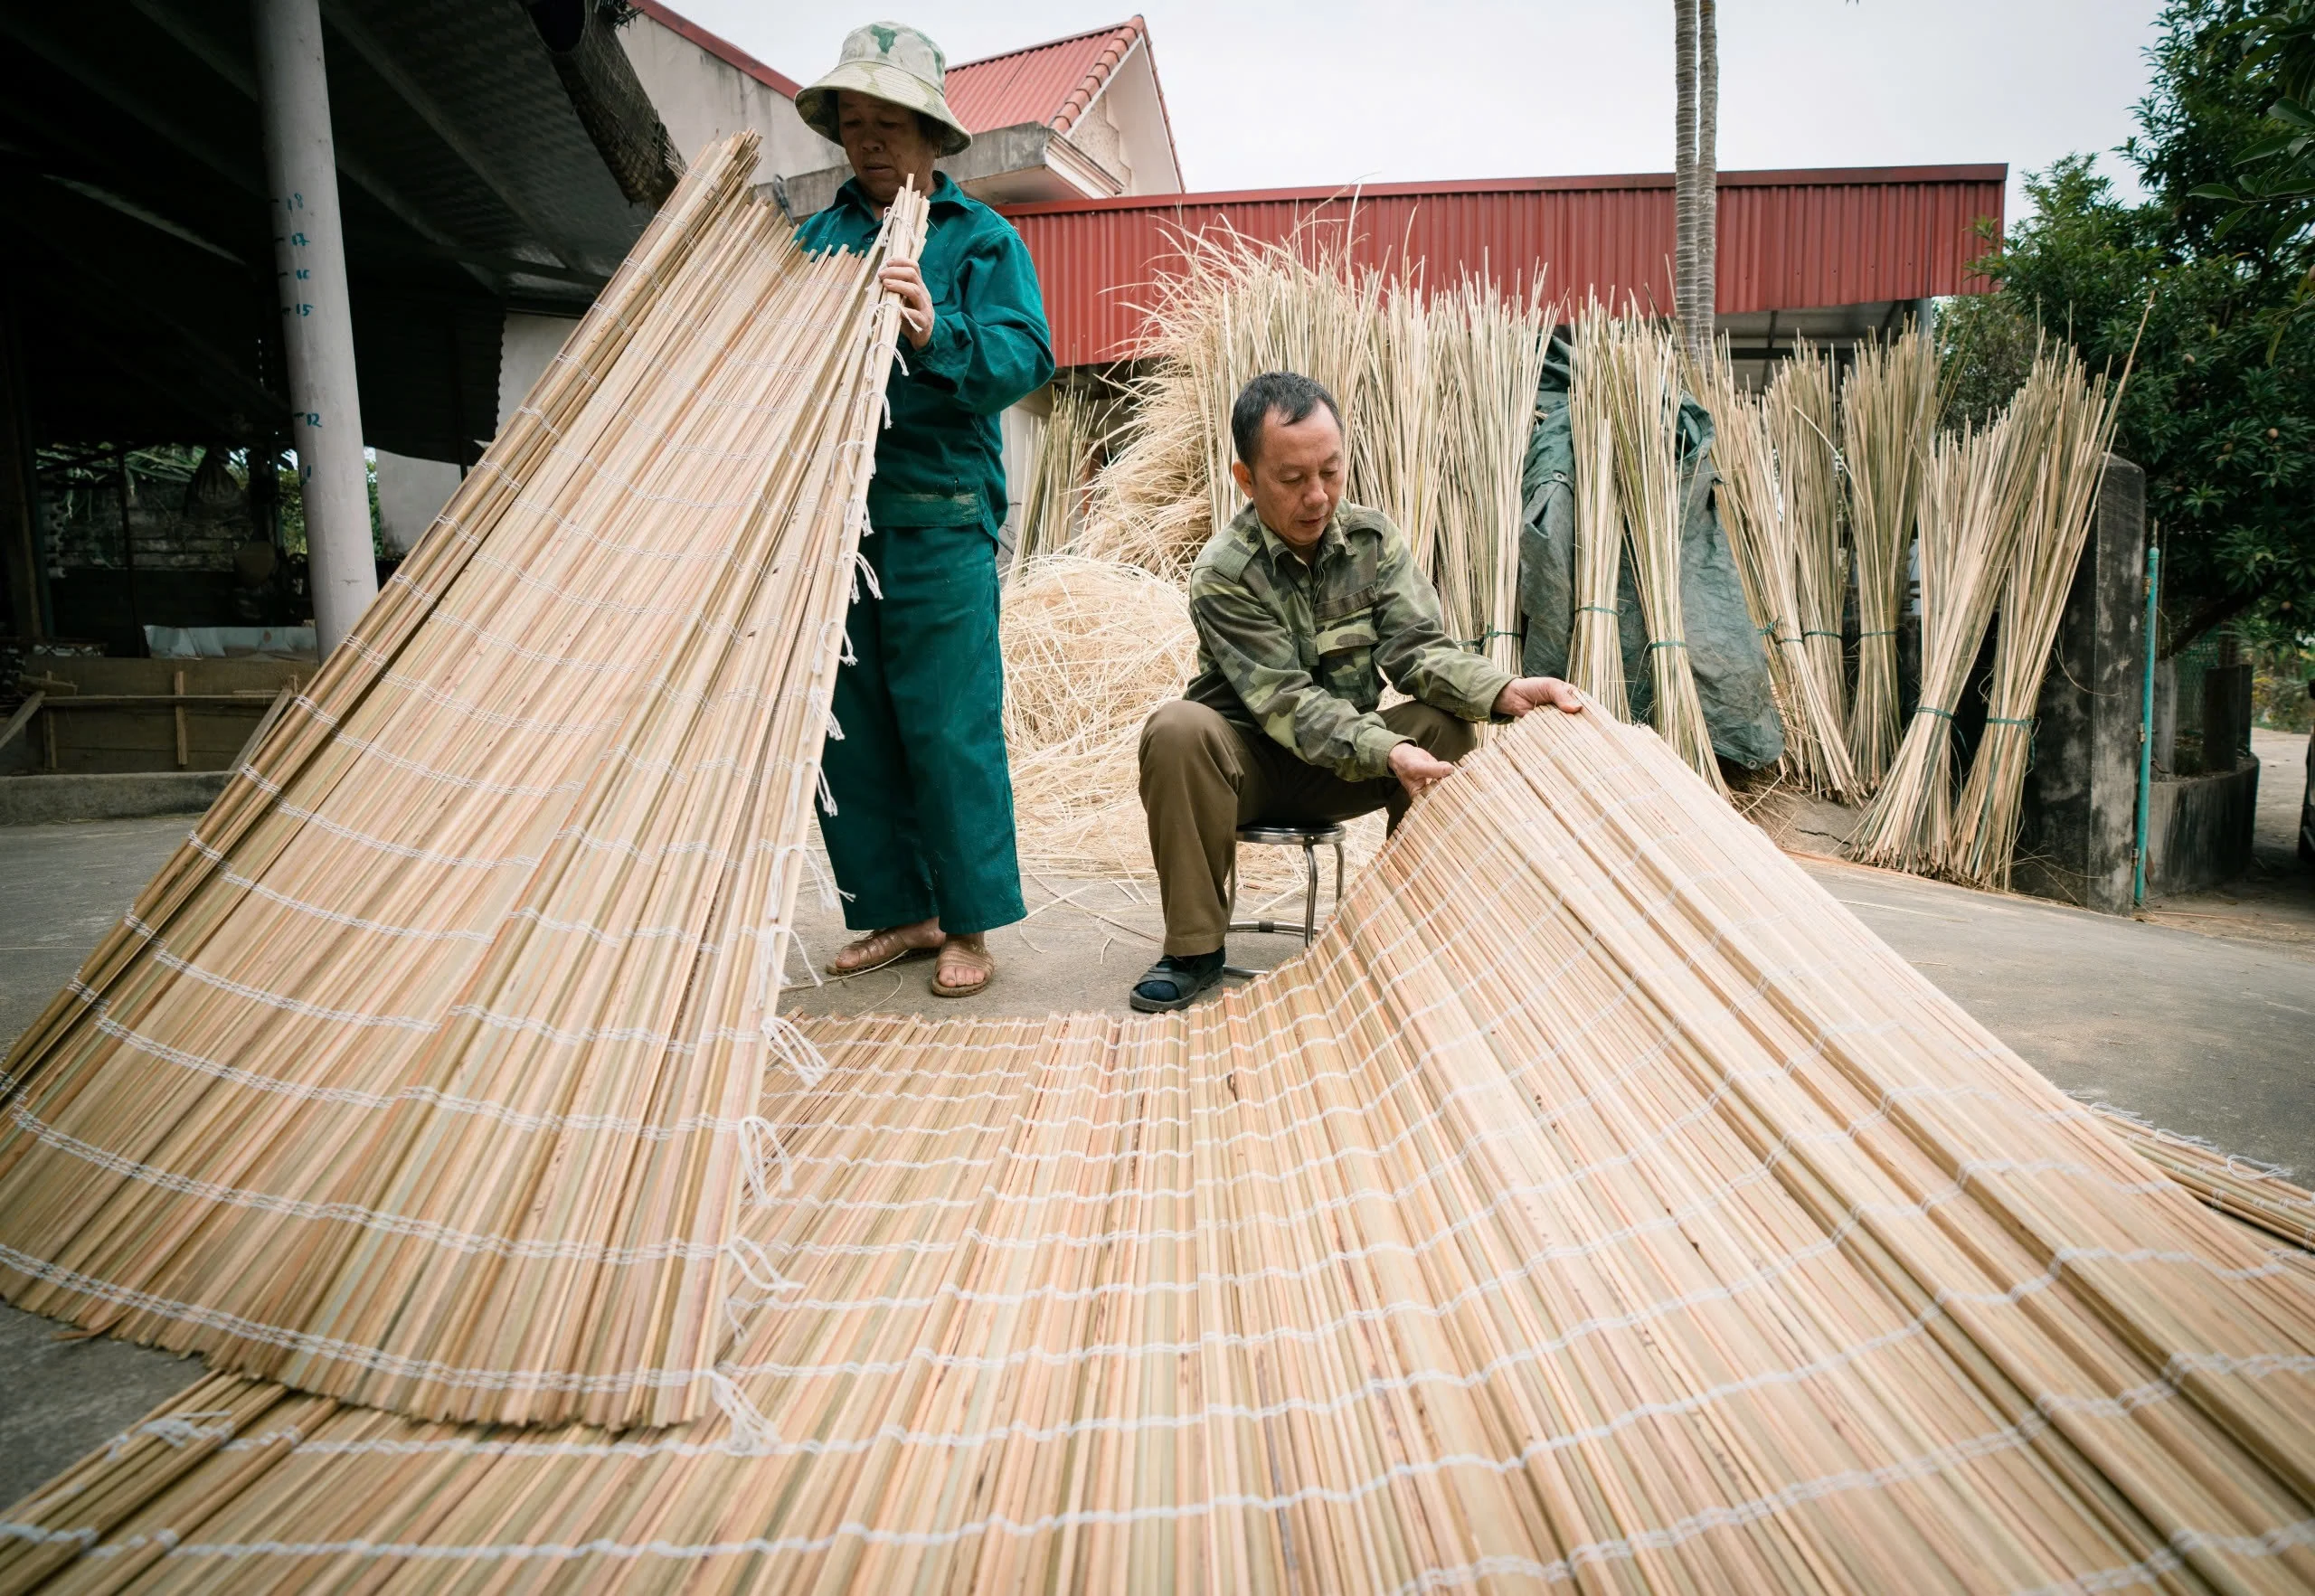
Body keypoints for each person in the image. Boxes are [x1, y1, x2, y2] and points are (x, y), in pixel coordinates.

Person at [1130, 371, 1584, 1013]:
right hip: (1248, 768)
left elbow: (1420, 650)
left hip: (1343, 768)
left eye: (1331, 472)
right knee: (1176, 729)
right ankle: (1194, 948)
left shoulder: (1372, 541)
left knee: (1446, 724)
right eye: (1291, 480)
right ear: (1246, 479)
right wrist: (1388, 751)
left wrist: (1503, 689)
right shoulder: (1223, 573)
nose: (1317, 496)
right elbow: (1287, 701)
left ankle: (1419, 927)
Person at [792, 23, 1054, 997]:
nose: (867, 140)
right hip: (837, 528)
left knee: (948, 727)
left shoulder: (982, 240)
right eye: (852, 122)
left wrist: (935, 329)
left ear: (932, 135)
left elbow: (1026, 360)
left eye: (888, 123)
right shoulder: (818, 242)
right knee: (849, 730)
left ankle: (970, 924)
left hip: (940, 517)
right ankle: (900, 915)